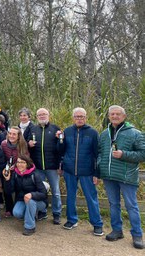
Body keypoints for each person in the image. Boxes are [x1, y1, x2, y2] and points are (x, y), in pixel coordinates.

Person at [98, 105, 145, 249]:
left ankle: (137, 235)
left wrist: (124, 154)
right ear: (109, 116)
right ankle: (117, 230)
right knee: (113, 204)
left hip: (127, 176)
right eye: (112, 114)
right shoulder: (104, 133)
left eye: (118, 114)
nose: (115, 116)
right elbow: (100, 152)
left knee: (131, 206)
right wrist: (100, 166)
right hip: (109, 176)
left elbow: (143, 154)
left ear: (124, 117)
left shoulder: (135, 133)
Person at [58, 108, 104, 236]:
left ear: (86, 117)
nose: (79, 119)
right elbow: (61, 151)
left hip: (87, 171)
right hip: (69, 170)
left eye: (82, 116)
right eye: (77, 116)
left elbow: (97, 154)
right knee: (71, 196)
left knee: (91, 197)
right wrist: (60, 140)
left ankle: (97, 224)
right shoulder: (67, 131)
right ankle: (72, 220)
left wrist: (96, 173)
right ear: (73, 118)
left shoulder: (93, 133)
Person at [28, 108, 62, 224]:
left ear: (48, 115)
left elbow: (61, 148)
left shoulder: (55, 129)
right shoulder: (33, 129)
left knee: (55, 191)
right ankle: (42, 211)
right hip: (37, 167)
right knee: (40, 190)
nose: (42, 116)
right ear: (36, 117)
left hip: (52, 166)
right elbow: (27, 146)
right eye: (39, 115)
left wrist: (59, 164)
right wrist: (29, 144)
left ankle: (56, 213)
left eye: (44, 114)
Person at [8, 155, 47, 236]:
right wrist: (7, 180)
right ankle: (30, 215)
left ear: (27, 164)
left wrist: (31, 195)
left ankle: (30, 227)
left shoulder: (35, 174)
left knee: (30, 202)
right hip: (22, 200)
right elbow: (10, 190)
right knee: (16, 213)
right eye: (18, 162)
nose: (20, 164)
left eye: (23, 162)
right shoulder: (15, 174)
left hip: (39, 202)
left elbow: (43, 194)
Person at [1, 126, 29, 218]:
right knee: (7, 189)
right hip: (7, 169)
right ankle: (9, 208)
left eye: (14, 134)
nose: (11, 136)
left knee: (18, 189)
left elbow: (26, 157)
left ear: (18, 136)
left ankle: (18, 207)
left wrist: (16, 165)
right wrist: (6, 166)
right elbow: (1, 157)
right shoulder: (4, 144)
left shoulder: (23, 145)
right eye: (10, 133)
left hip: (19, 170)